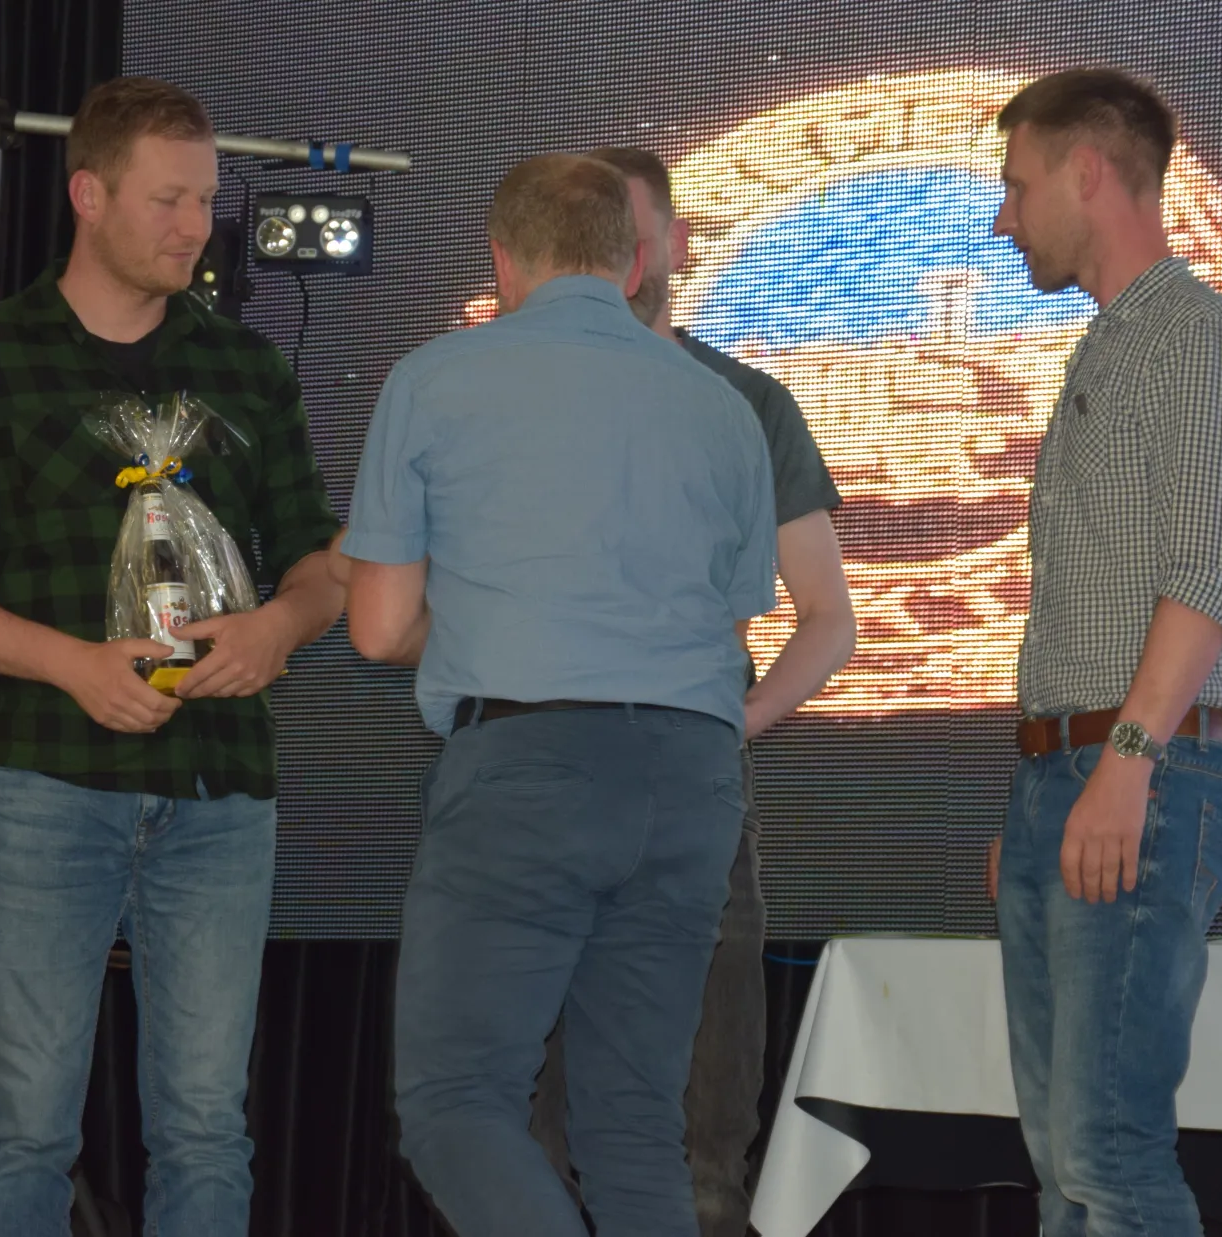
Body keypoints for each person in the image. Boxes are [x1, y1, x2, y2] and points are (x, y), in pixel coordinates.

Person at [0, 77, 343, 1237]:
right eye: (167, 200)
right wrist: (73, 664)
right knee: (29, 1123)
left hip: (220, 792)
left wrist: (277, 627)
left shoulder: (247, 370)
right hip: (47, 786)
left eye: (207, 201)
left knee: (206, 1125)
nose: (196, 227)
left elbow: (323, 564)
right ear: (88, 195)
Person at [338, 153, 778, 1237]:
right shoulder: (723, 406)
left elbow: (378, 627)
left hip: (528, 768)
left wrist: (483, 616)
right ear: (633, 264)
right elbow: (733, 622)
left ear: (502, 260)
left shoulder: (434, 380)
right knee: (634, 1125)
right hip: (691, 780)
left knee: (456, 1103)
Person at [521, 145, 856, 1237]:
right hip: (535, 780)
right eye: (593, 239)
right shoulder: (511, 393)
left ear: (672, 243)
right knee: (526, 1129)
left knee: (705, 1135)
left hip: (693, 792)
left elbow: (828, 616)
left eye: (633, 235)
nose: (619, 259)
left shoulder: (744, 401)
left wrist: (736, 720)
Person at [985, 68, 1222, 1236]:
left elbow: (1207, 576)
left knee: (1105, 1153)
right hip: (1074, 773)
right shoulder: (1108, 347)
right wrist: (1044, 788)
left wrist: (1119, 763)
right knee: (1064, 1158)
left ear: (1087, 173)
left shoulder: (1198, 343)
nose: (1002, 219)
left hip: (1146, 770)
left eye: (1016, 188)